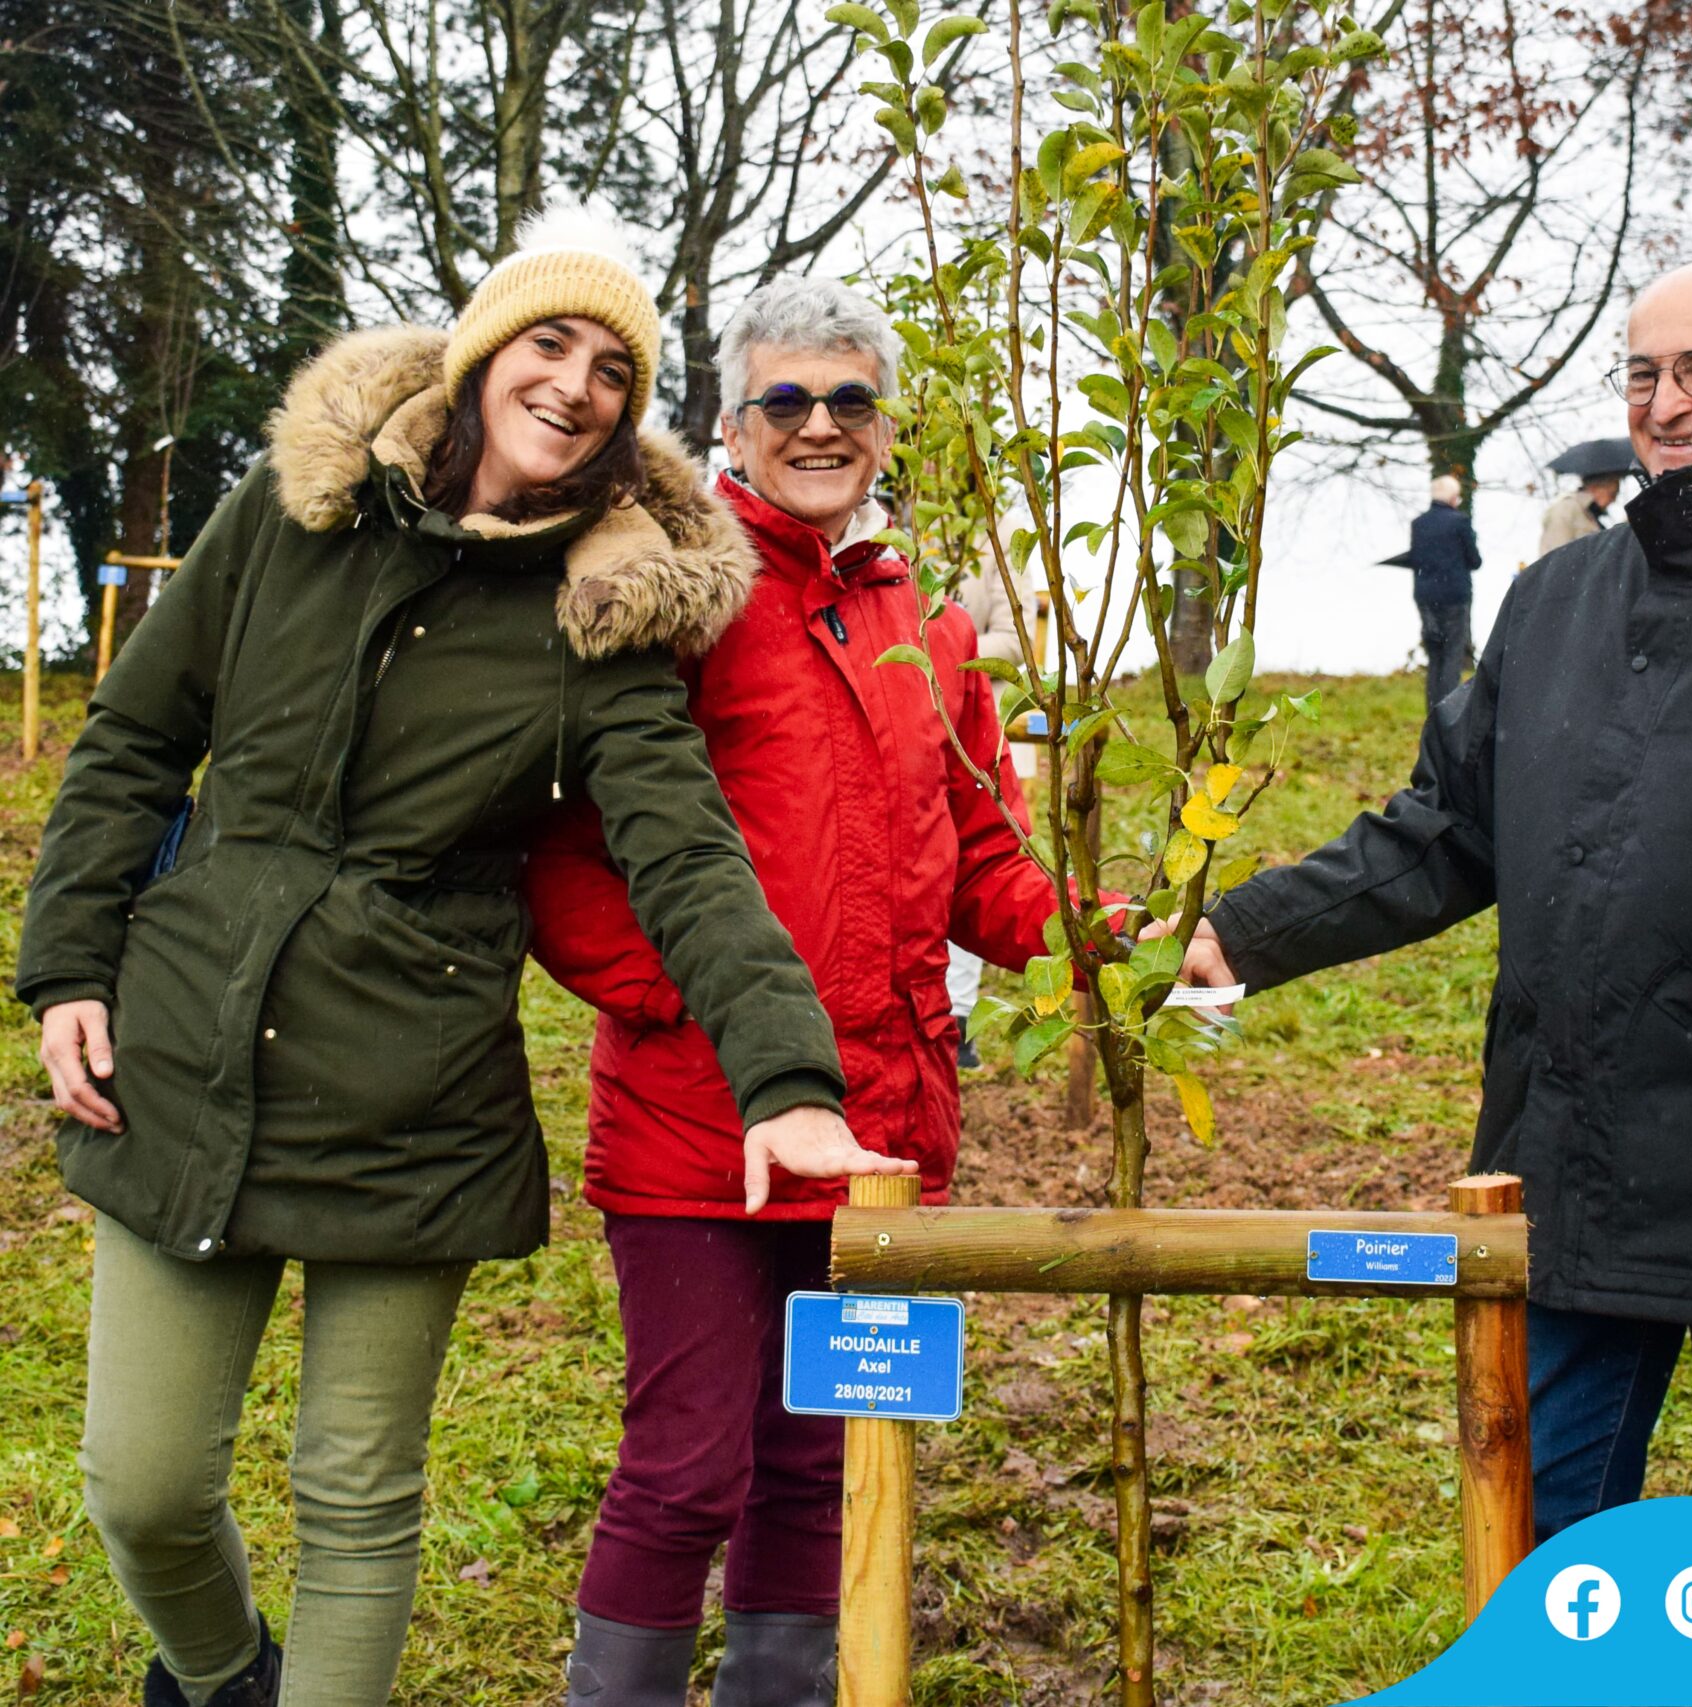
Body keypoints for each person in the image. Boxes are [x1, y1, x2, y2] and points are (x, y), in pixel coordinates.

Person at [15, 204, 912, 1707]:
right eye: (549, 344)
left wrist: (785, 1073)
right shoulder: (291, 511)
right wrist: (68, 967)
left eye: (613, 371)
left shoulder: (603, 614)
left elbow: (689, 857)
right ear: (488, 347)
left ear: (633, 419)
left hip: (410, 1089)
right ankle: (230, 1676)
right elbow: (135, 737)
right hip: (187, 1040)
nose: (575, 385)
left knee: (357, 1496)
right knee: (143, 1483)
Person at [1158, 260, 1692, 1534]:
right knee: (1547, 1549)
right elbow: (1448, 831)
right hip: (1569, 1158)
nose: (1667, 405)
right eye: (1643, 373)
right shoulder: (1557, 598)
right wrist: (1243, 929)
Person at [523, 275, 1061, 1703]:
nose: (820, 424)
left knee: (824, 1450)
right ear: (733, 422)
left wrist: (1108, 942)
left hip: (879, 1127)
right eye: (788, 398)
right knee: (690, 1453)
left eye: (849, 398)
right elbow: (569, 855)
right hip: (695, 1126)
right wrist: (679, 1005)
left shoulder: (928, 627)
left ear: (886, 427)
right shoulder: (675, 592)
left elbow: (984, 858)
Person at [944, 537, 1031, 1068]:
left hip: (970, 720)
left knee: (974, 865)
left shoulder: (995, 535)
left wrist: (943, 645)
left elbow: (1015, 640)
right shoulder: (906, 518)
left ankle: (959, 1018)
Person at [1406, 472, 1482, 708]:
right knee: (1452, 655)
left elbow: (1417, 558)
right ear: (1453, 498)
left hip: (1426, 598)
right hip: (1454, 597)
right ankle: (1448, 710)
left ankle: (1432, 709)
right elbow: (1475, 561)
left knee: (1435, 655)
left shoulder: (1418, 524)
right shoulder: (1459, 522)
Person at [1538, 472, 1623, 556]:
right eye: (1612, 494)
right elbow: (1556, 556)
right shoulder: (1566, 509)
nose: (1614, 500)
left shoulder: (1589, 514)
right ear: (1595, 488)